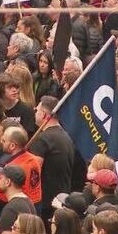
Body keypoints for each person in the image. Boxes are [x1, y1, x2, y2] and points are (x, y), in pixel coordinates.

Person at [29, 96, 76, 225]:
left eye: (37, 110)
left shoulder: (43, 139)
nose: (35, 112)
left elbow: (33, 173)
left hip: (44, 203)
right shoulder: (66, 137)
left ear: (44, 114)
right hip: (61, 200)